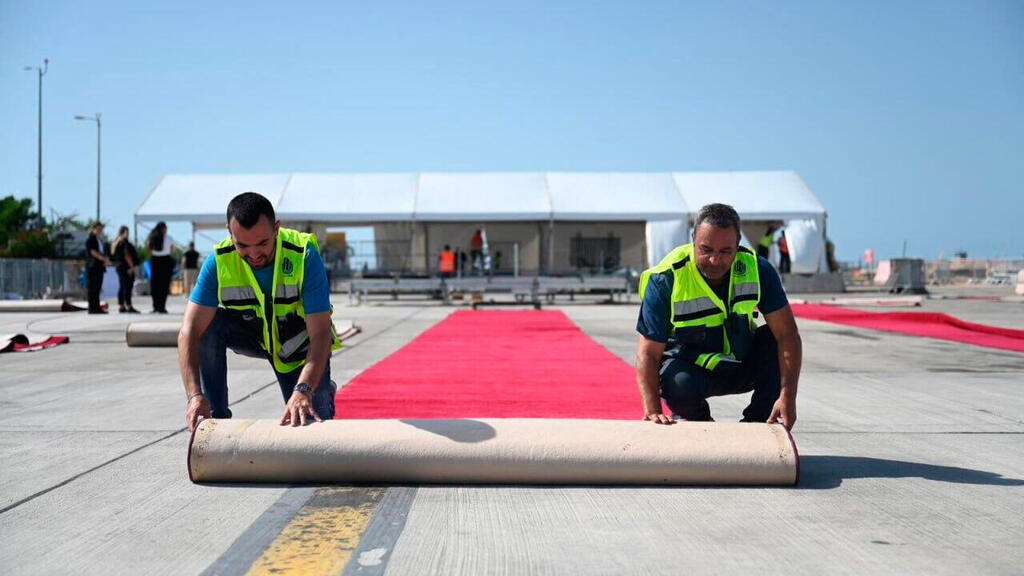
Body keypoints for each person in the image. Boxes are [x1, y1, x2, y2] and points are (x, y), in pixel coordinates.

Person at [179, 192, 341, 432]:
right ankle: (215, 418)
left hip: (296, 346)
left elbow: (320, 334)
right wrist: (194, 396)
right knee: (207, 325)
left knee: (309, 428)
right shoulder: (219, 262)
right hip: (253, 335)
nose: (254, 255)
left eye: (263, 243)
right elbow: (189, 332)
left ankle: (323, 390)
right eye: (242, 245)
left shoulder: (303, 255)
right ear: (229, 233)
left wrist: (304, 389)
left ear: (276, 228)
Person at [634, 203, 801, 430]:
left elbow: (787, 335)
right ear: (693, 241)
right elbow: (648, 353)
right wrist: (653, 410)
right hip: (693, 372)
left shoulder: (757, 269)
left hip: (742, 364)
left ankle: (757, 425)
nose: (715, 260)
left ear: (738, 244)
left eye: (725, 251)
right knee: (677, 383)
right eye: (706, 250)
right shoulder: (666, 279)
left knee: (774, 340)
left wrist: (787, 396)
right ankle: (702, 425)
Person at [111, 225, 140, 313]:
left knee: (122, 286)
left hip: (119, 266)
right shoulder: (124, 242)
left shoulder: (116, 242)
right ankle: (128, 305)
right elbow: (127, 255)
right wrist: (131, 267)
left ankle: (122, 305)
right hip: (126, 267)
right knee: (127, 286)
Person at [147, 222, 174, 314]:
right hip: (166, 260)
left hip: (155, 260)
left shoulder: (152, 237)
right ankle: (162, 307)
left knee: (155, 284)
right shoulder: (169, 238)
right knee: (164, 285)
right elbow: (171, 249)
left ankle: (155, 306)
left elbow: (148, 249)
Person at [84, 221, 110, 314]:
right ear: (93, 229)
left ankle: (97, 307)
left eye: (101, 229)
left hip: (99, 267)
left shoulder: (100, 240)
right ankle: (92, 308)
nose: (100, 231)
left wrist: (106, 260)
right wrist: (102, 258)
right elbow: (93, 252)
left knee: (97, 288)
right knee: (92, 288)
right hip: (93, 266)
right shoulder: (90, 239)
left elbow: (102, 251)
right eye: (98, 229)